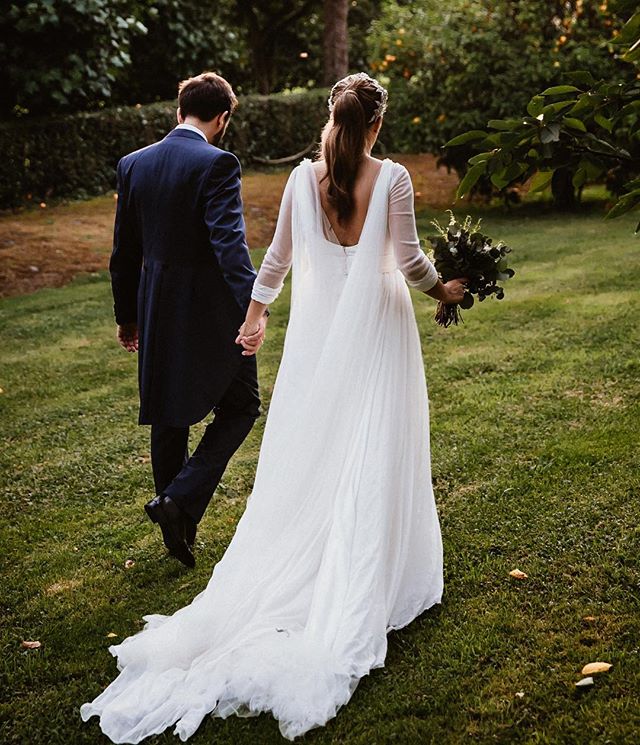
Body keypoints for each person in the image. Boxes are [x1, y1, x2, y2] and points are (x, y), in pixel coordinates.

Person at [81, 72, 466, 742]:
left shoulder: (298, 180)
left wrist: (256, 316)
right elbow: (410, 262)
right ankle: (369, 568)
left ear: (331, 116)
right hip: (375, 323)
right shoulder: (395, 178)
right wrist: (448, 291)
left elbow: (276, 263)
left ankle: (291, 545)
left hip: (318, 329)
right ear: (376, 123)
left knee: (317, 442)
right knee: (373, 439)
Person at [109, 72, 266, 569]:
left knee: (167, 413)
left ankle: (175, 521)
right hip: (212, 313)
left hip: (156, 307)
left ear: (179, 110)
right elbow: (229, 245)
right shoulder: (218, 163)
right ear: (222, 119)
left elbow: (123, 253)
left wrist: (128, 317)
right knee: (242, 406)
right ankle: (179, 502)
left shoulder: (133, 165)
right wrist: (252, 307)